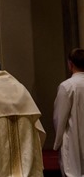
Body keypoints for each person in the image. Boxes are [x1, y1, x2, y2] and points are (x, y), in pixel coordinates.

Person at [53, 48, 84, 177]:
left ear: (70, 64)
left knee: (74, 171)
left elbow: (60, 117)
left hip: (74, 138)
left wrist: (57, 142)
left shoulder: (67, 86)